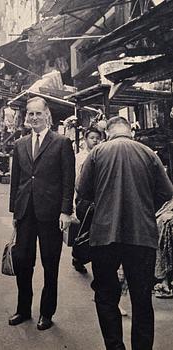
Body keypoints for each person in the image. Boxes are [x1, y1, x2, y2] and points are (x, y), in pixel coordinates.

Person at [78, 116, 173, 350]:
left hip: (104, 235)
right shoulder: (149, 153)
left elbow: (83, 191)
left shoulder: (97, 153)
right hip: (141, 236)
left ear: (108, 132)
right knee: (142, 300)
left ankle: (115, 347)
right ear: (130, 132)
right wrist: (145, 207)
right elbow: (166, 191)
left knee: (106, 296)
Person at [9, 97, 75, 330]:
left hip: (51, 214)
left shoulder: (62, 143)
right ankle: (23, 309)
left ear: (47, 115)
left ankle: (47, 313)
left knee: (50, 264)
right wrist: (15, 213)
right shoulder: (20, 144)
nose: (34, 118)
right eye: (30, 114)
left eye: (38, 113)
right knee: (23, 262)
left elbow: (69, 180)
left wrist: (66, 211)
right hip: (26, 212)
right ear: (26, 117)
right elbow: (16, 181)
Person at [72, 127, 102, 274]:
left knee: (96, 232)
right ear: (85, 139)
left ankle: (94, 259)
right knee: (84, 231)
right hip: (84, 200)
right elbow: (75, 181)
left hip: (99, 200)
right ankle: (78, 257)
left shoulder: (103, 155)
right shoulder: (79, 157)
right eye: (92, 137)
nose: (95, 140)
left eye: (97, 137)